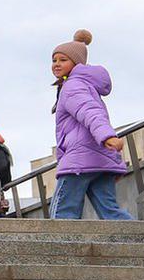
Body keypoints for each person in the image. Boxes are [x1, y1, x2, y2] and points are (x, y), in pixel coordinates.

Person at [49, 29, 135, 220]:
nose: (56, 64)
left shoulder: (73, 86)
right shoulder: (84, 84)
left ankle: (60, 248)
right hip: (100, 159)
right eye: (54, 60)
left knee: (63, 212)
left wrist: (107, 135)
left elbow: (90, 112)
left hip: (79, 160)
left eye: (63, 60)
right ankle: (142, 241)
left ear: (76, 63)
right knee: (111, 211)